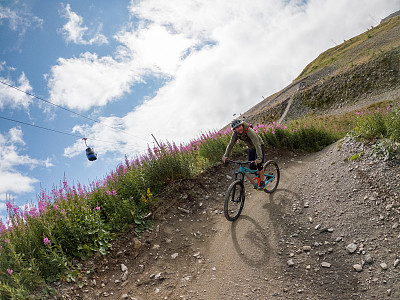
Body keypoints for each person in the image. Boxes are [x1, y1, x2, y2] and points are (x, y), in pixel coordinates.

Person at [222, 118, 265, 189]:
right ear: (234, 129)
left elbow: (257, 143)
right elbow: (230, 145)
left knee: (259, 164)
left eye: (239, 126)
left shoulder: (249, 131)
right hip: (251, 148)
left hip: (259, 145)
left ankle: (262, 181)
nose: (239, 129)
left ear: (242, 125)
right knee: (251, 166)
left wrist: (259, 158)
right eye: (236, 128)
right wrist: (225, 156)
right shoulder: (235, 134)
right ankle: (260, 175)